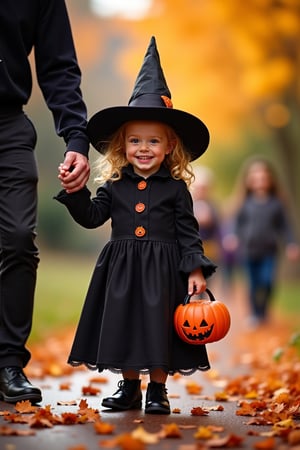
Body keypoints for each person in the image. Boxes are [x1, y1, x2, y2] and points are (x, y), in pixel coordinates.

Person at [56, 36, 216, 415]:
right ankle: (128, 386)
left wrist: (194, 268)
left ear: (169, 146)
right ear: (122, 146)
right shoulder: (114, 186)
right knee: (125, 324)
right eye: (135, 141)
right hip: (122, 270)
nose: (143, 148)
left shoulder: (177, 190)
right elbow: (93, 216)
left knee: (160, 328)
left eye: (153, 141)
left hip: (164, 270)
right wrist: (76, 193)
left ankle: (157, 391)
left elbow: (189, 232)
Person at [0, 0, 90, 404]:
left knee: (18, 235)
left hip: (8, 124)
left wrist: (77, 139)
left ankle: (7, 363)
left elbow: (58, 67)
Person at [229, 157, 299, 327]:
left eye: (263, 178)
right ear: (249, 181)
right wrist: (233, 236)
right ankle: (255, 314)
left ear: (270, 180)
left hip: (269, 250)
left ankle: (264, 311)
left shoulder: (277, 203)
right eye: (256, 178)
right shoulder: (245, 203)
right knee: (253, 283)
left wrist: (291, 243)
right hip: (248, 249)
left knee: (267, 282)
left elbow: (285, 226)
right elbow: (236, 224)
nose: (260, 181)